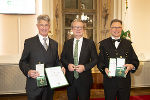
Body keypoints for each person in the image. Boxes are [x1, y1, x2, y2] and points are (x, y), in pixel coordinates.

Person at [19, 15, 64, 100]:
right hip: (34, 86)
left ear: (49, 26)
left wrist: (61, 67)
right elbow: (22, 62)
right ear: (37, 26)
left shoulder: (55, 44)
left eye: (46, 25)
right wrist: (28, 71)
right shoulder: (29, 42)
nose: (44, 27)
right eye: (41, 25)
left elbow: (56, 61)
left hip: (49, 86)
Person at [97, 19, 139, 100]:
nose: (116, 29)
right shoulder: (103, 44)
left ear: (121, 29)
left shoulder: (128, 44)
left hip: (124, 82)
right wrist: (104, 68)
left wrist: (131, 66)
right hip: (109, 82)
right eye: (114, 27)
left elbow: (135, 60)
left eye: (119, 27)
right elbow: (100, 61)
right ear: (110, 29)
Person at [61, 19, 98, 100]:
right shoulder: (67, 43)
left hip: (84, 80)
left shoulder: (90, 43)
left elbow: (95, 59)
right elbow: (62, 58)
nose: (78, 29)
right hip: (70, 79)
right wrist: (68, 65)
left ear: (83, 30)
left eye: (80, 27)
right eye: (75, 27)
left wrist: (84, 67)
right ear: (72, 29)